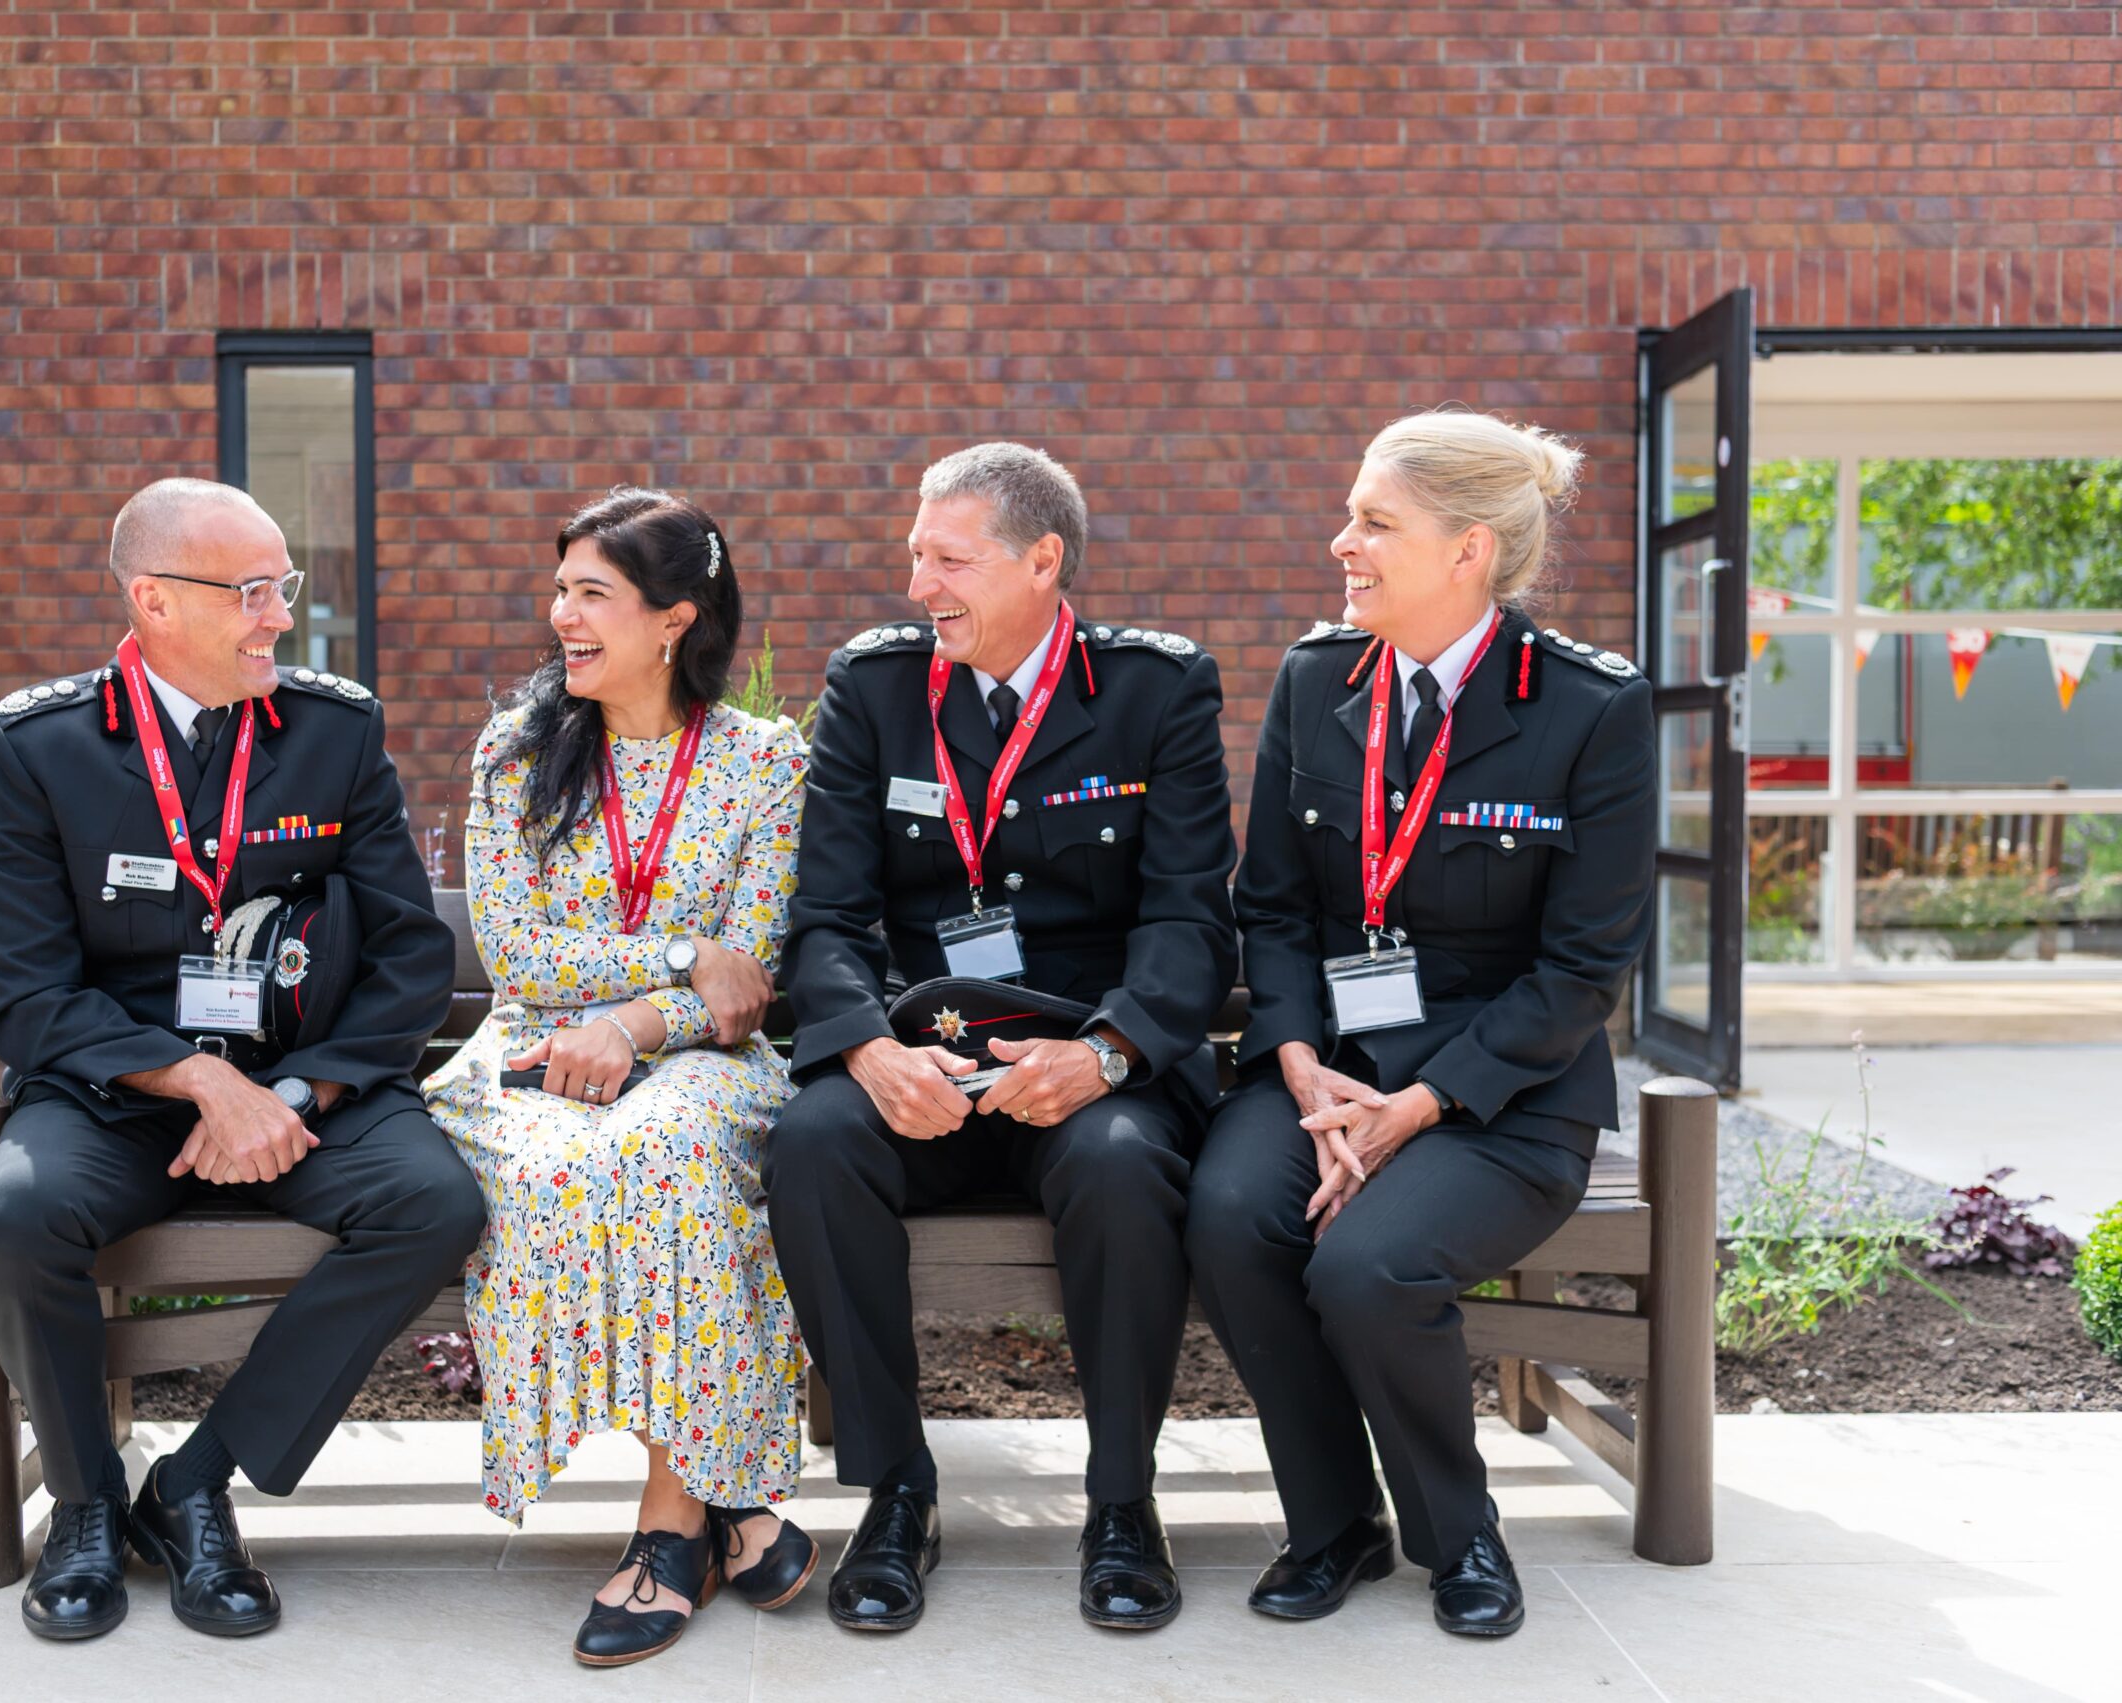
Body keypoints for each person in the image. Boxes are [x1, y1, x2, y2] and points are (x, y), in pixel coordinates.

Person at [0, 478, 486, 1642]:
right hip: (119, 1096)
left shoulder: (334, 729)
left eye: (281, 586)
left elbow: (409, 954)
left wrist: (298, 1089)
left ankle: (196, 1480)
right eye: (251, 591)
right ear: (152, 600)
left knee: (432, 1200)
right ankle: (90, 1505)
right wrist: (197, 1079)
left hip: (305, 1089)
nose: (278, 616)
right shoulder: (39, 745)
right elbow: (27, 996)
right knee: (17, 1219)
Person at [1186, 410, 1657, 1639]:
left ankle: (1460, 1532)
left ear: (1467, 550)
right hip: (1324, 1066)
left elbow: (1583, 966)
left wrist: (1418, 1105)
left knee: (1368, 1264)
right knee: (1233, 1215)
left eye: (1373, 522)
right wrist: (1293, 1064)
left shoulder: (1590, 709)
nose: (1342, 541)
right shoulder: (1315, 678)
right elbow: (1275, 906)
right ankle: (1335, 1519)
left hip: (1502, 1088)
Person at [766, 442, 1239, 1634]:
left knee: (1125, 1164)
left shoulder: (1152, 690)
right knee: (816, 1139)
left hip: (1089, 1064)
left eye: (948, 558)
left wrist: (1109, 1055)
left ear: (1043, 560)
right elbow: (826, 916)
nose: (919, 584)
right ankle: (893, 1491)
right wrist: (866, 1048)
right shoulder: (875, 688)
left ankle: (1124, 1502)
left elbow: (1189, 916)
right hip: (923, 1060)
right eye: (914, 555)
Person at [421, 488, 818, 1668]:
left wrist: (646, 1016)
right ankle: (730, 1497)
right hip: (532, 1049)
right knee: (566, 1162)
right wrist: (682, 952)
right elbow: (520, 952)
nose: (561, 617)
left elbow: (758, 971)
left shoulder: (762, 762)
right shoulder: (514, 750)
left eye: (590, 593)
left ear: (671, 619)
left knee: (672, 1149)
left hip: (703, 1058)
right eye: (559, 590)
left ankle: (668, 1525)